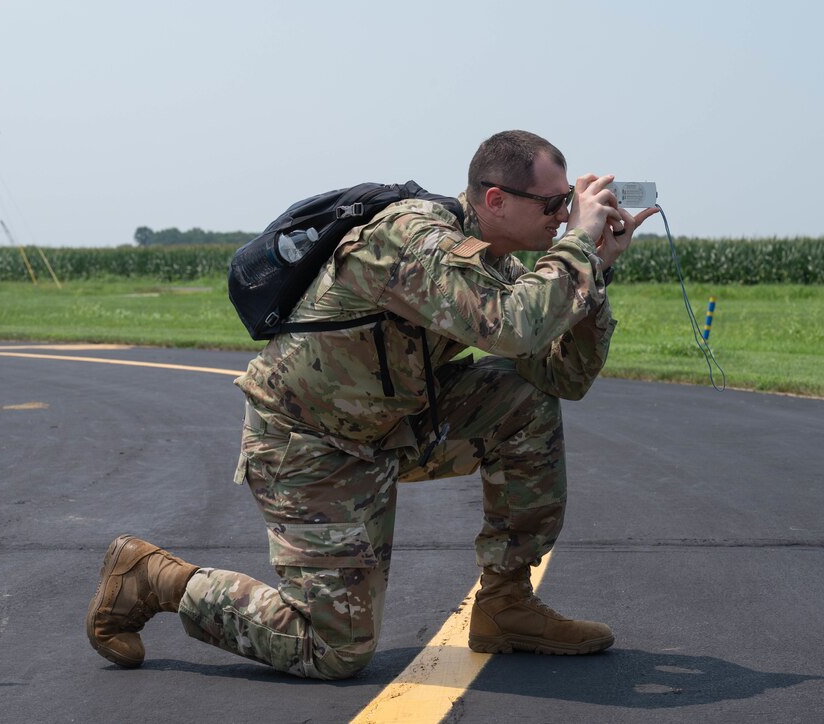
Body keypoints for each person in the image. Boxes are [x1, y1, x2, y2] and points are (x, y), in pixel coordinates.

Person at [86, 130, 659, 679]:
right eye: (555, 202)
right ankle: (156, 579)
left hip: (389, 428)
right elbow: (513, 327)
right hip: (310, 445)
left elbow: (562, 372)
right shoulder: (414, 241)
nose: (564, 214)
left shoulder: (493, 262)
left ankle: (506, 605)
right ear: (496, 198)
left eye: (569, 202)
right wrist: (580, 247)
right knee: (333, 651)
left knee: (526, 400)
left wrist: (597, 270)